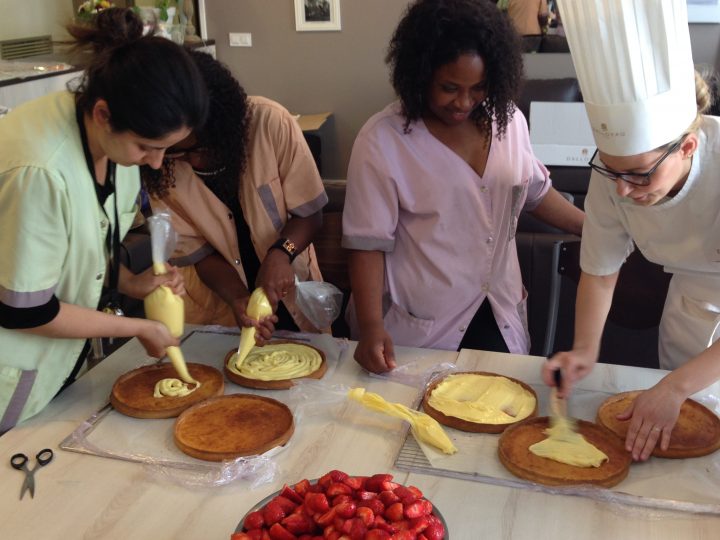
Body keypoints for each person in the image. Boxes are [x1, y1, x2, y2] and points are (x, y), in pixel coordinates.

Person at [342, 0, 584, 374]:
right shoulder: (383, 140)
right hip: (421, 327)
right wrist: (372, 326)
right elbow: (366, 243)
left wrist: (591, 228)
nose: (464, 102)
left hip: (498, 315)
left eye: (479, 88)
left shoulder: (510, 123)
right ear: (421, 73)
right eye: (449, 87)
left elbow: (534, 192)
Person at [0, 8, 208, 432]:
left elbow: (89, 240)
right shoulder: (39, 172)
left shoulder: (114, 142)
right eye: (148, 147)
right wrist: (138, 326)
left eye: (167, 148)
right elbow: (25, 311)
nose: (156, 161)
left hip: (57, 366)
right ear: (103, 115)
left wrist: (133, 283)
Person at [542, 0, 719, 461]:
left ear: (688, 146)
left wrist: (675, 387)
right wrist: (584, 349)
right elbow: (600, 272)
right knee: (687, 453)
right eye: (611, 170)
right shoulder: (615, 177)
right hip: (689, 310)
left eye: (640, 174)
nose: (623, 189)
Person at [142, 51, 328, 341]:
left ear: (221, 128)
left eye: (197, 148)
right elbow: (200, 254)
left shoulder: (269, 123)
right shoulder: (159, 166)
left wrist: (281, 253)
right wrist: (239, 298)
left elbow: (310, 213)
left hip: (291, 288)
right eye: (175, 152)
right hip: (220, 305)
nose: (193, 162)